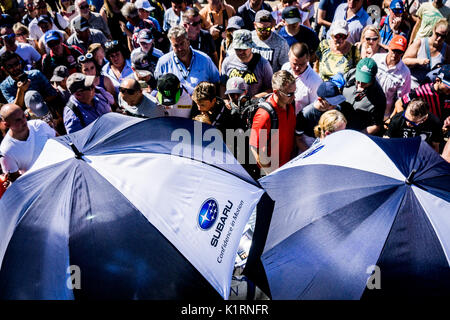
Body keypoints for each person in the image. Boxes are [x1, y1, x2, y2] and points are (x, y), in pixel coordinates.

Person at [249, 70, 297, 176]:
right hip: (273, 174)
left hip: (287, 169)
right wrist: (271, 175)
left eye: (295, 92)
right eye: (289, 94)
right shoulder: (264, 115)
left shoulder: (290, 105)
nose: (294, 97)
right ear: (276, 92)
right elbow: (256, 149)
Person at [154, 26, 220, 95]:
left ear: (188, 41)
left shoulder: (205, 60)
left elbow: (216, 82)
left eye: (182, 44)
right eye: (176, 45)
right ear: (171, 45)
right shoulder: (163, 62)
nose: (180, 48)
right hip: (174, 104)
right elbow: (157, 86)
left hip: (200, 104)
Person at [0, 103, 56, 183]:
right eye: (18, 120)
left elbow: (60, 140)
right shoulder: (6, 150)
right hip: (41, 185)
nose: (24, 121)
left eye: (23, 116)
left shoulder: (39, 125)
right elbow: (16, 181)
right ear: (7, 124)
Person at [295, 81, 347, 151]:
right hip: (309, 145)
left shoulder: (337, 108)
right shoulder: (305, 115)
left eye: (336, 102)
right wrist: (310, 154)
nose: (335, 106)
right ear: (320, 100)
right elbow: (298, 138)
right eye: (331, 103)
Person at [221, 29, 273, 98]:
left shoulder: (263, 64)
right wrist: (224, 99)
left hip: (255, 106)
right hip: (233, 105)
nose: (240, 52)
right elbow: (222, 85)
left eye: (244, 49)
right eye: (237, 49)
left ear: (251, 47)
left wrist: (255, 98)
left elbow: (271, 89)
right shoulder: (227, 62)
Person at [342, 57, 386, 135]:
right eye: (359, 79)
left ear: (373, 78)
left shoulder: (379, 98)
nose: (361, 84)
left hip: (356, 129)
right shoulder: (352, 73)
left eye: (365, 81)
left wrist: (358, 135)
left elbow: (376, 126)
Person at [372, 34, 411, 120]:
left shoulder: (405, 72)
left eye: (399, 51)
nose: (395, 54)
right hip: (368, 105)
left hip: (384, 114)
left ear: (403, 52)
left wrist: (391, 118)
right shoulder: (376, 59)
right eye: (394, 50)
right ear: (389, 47)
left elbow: (401, 100)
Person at [403, 18, 450, 89]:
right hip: (413, 84)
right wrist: (418, 61)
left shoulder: (446, 49)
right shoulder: (420, 43)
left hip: (430, 88)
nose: (439, 38)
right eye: (437, 34)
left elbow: (447, 69)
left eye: (443, 36)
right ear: (433, 30)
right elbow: (404, 60)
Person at [282, 42, 323, 114]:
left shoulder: (315, 81)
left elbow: (314, 109)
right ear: (289, 56)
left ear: (308, 59)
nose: (297, 68)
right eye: (294, 64)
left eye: (302, 64)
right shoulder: (285, 68)